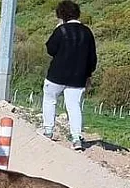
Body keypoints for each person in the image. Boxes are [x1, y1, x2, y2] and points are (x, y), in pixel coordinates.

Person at [41, 0, 96, 151]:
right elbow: (92, 57)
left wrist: (57, 28)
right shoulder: (87, 32)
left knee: (50, 100)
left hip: (57, 75)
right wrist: (88, 74)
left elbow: (50, 49)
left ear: (61, 15)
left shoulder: (61, 30)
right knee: (74, 106)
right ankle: (76, 138)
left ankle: (48, 130)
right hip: (78, 77)